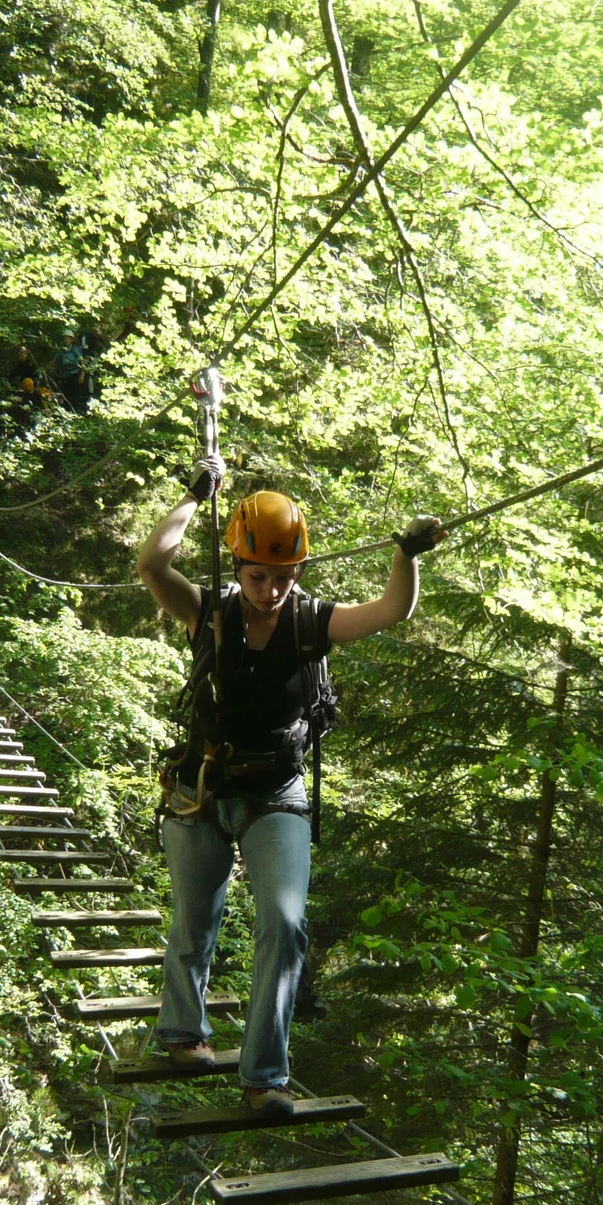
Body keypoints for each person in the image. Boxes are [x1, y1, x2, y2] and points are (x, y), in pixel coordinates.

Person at [136, 460, 446, 1114]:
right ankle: (183, 1034)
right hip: (203, 787)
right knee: (195, 919)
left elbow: (392, 609)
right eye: (257, 575)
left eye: (284, 576)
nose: (272, 588)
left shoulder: (311, 623)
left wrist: (406, 555)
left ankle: (263, 1077)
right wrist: (196, 496)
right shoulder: (207, 612)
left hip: (277, 793)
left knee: (283, 920)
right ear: (238, 566)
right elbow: (153, 566)